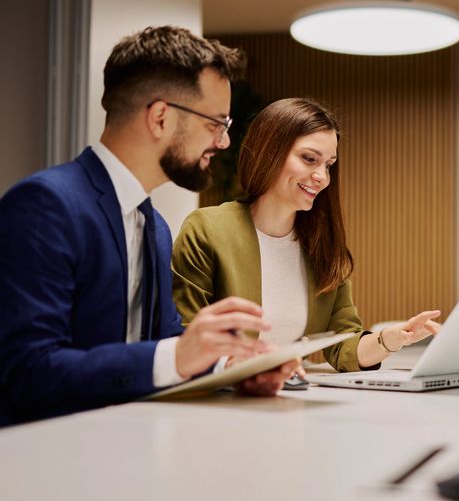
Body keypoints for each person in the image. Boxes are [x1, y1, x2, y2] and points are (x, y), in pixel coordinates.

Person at [0, 26, 298, 434]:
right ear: (160, 118)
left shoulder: (154, 226)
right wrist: (179, 355)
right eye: (217, 122)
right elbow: (32, 373)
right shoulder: (43, 206)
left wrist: (231, 366)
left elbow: (160, 347)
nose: (225, 141)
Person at [171, 98, 440, 372]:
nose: (322, 177)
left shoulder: (323, 244)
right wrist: (244, 364)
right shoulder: (206, 230)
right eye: (309, 159)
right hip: (221, 404)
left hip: (292, 400)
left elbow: (343, 344)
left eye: (329, 165)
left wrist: (391, 340)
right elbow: (184, 339)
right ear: (269, 152)